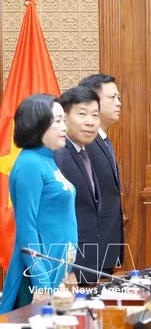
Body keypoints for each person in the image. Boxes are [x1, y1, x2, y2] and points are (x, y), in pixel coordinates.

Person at [0, 94, 77, 313]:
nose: (64, 126)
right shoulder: (30, 164)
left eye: (64, 119)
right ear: (37, 125)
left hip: (57, 267)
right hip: (37, 276)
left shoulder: (47, 159)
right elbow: (27, 228)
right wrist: (41, 281)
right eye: (57, 121)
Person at [53, 86, 103, 284]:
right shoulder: (59, 155)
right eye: (82, 114)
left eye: (95, 115)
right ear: (64, 117)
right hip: (69, 271)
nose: (90, 122)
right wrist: (66, 269)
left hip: (88, 266)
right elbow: (55, 218)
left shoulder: (86, 153)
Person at [79, 74, 124, 278]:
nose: (119, 103)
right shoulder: (85, 143)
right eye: (112, 98)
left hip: (104, 251)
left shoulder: (102, 140)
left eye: (119, 97)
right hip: (89, 255)